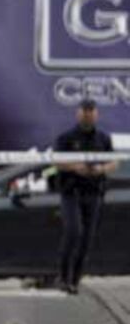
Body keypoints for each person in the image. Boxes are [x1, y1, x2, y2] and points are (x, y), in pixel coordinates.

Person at [54, 99, 118, 295]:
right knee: (74, 232)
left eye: (91, 111)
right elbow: (56, 162)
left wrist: (101, 169)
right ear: (78, 113)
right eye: (84, 111)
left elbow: (114, 162)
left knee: (87, 239)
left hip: (93, 193)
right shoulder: (66, 137)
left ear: (96, 114)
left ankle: (74, 280)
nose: (88, 115)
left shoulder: (103, 138)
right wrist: (76, 167)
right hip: (71, 192)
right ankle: (63, 276)